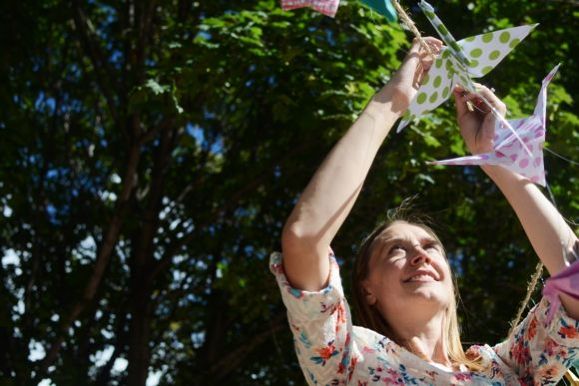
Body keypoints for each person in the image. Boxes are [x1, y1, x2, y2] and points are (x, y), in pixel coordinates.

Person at [270, 36, 579, 385]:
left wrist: (495, 158)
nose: (420, 255)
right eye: (395, 250)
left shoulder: (506, 368)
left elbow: (576, 274)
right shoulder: (347, 363)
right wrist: (391, 102)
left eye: (431, 247)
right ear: (367, 288)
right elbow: (303, 238)